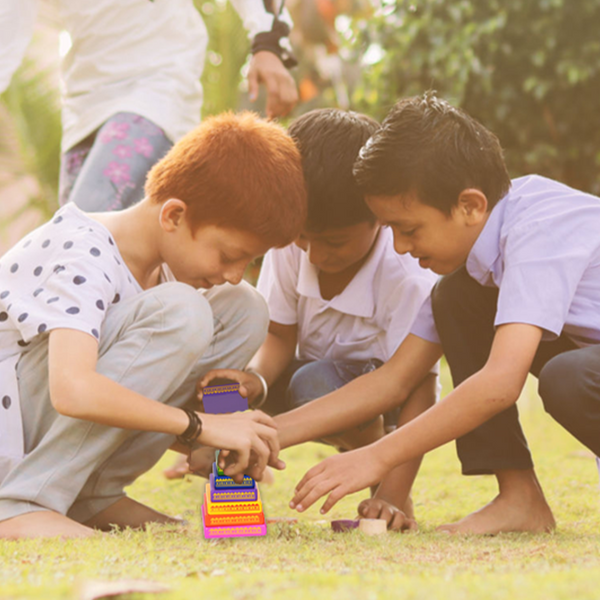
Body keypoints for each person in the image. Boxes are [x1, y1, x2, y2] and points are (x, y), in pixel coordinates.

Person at [276, 93, 600, 535]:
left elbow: (501, 383)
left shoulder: (539, 228)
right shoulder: (476, 269)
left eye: (408, 229)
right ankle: (519, 497)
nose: (401, 247)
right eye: (391, 230)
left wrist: (375, 456)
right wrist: (265, 435)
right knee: (457, 299)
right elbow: (394, 379)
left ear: (470, 205)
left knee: (570, 376)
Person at [0, 111, 307, 539]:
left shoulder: (160, 271)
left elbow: (130, 380)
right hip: (9, 426)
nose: (235, 272)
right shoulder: (83, 251)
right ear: (174, 216)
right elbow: (71, 390)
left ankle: (92, 494)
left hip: (42, 423)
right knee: (182, 311)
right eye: (228, 255)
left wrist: (207, 440)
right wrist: (200, 425)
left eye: (248, 261)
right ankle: (25, 502)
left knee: (244, 307)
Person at [196, 108, 438, 530]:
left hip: (379, 396)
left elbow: (417, 385)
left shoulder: (405, 275)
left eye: (334, 242)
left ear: (378, 215)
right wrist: (255, 380)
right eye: (303, 236)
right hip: (301, 381)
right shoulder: (291, 246)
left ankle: (380, 483)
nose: (315, 255)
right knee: (224, 389)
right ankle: (231, 501)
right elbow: (278, 335)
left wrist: (395, 494)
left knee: (316, 382)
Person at [1, 0, 299, 210]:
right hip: (83, 107)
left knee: (81, 229)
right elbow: (7, 26)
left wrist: (268, 44)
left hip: (158, 88)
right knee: (90, 260)